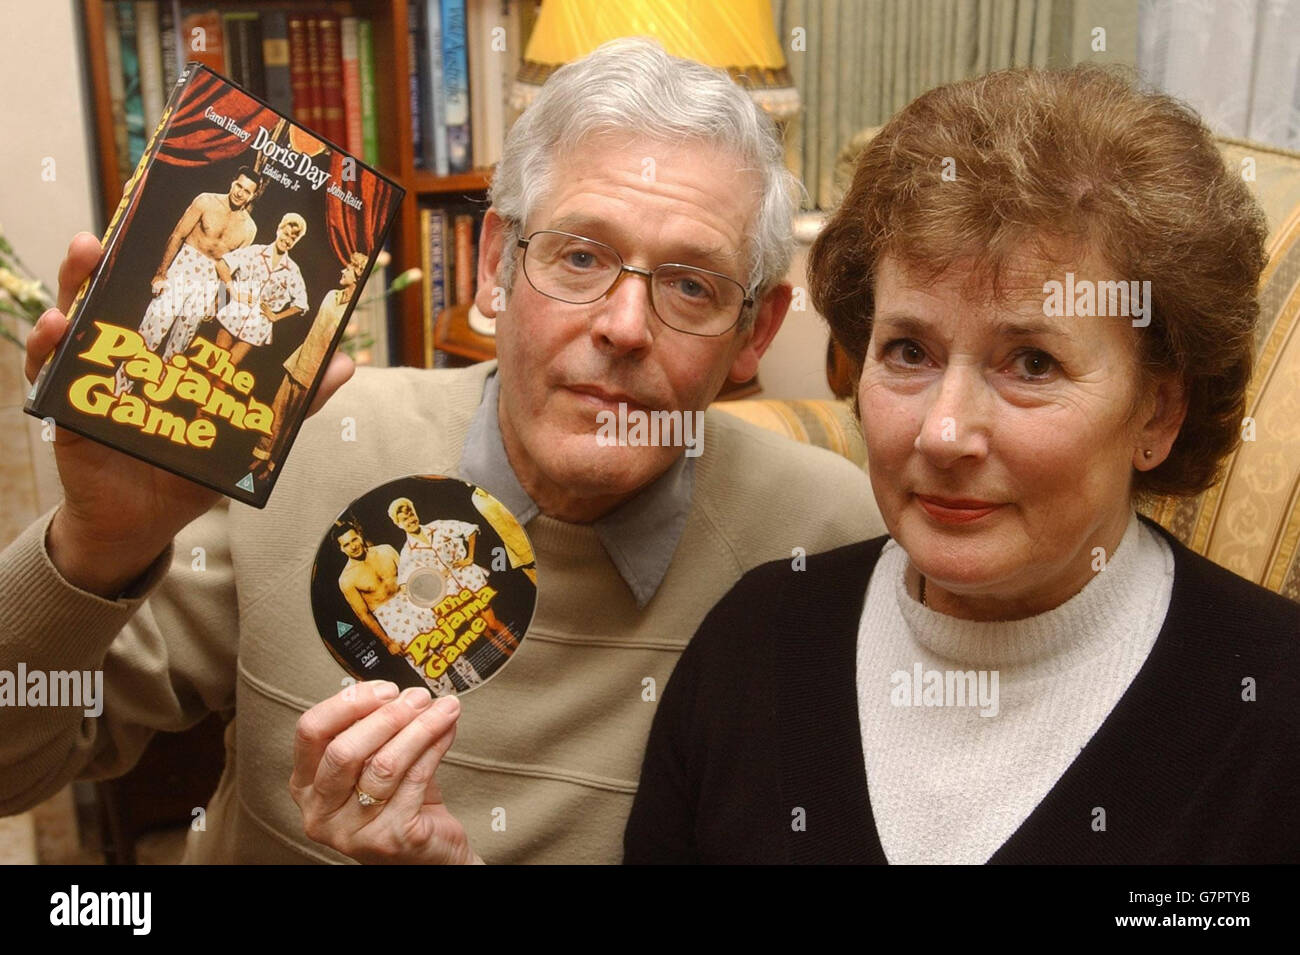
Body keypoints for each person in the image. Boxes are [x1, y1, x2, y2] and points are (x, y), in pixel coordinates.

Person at [0, 38, 884, 864]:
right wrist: (97, 545)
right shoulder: (302, 440)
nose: (622, 326)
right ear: (493, 264)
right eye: (579, 257)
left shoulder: (826, 536)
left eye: (691, 285)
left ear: (754, 332)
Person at [625, 66, 1300, 864]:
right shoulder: (755, 641)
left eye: (1033, 364)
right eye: (909, 350)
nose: (944, 433)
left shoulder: (1272, 709)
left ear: (1157, 412)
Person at [115, 166, 260, 394]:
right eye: (238, 185)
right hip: (184, 267)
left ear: (253, 196)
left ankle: (152, 397)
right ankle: (120, 390)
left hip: (209, 282)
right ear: (232, 182)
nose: (240, 193)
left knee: (179, 346)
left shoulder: (249, 229)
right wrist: (161, 273)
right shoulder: (206, 201)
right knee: (151, 331)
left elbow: (232, 268)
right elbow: (178, 235)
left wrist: (217, 302)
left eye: (247, 191)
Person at [250, 251, 369, 478]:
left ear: (358, 274)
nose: (342, 271)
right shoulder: (331, 296)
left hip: (314, 373)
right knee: (275, 415)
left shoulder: (348, 311)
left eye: (348, 269)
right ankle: (259, 457)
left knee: (291, 424)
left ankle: (272, 467)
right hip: (298, 362)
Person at [211, 212, 309, 367]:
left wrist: (276, 316)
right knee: (213, 362)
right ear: (279, 229)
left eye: (293, 238)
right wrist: (234, 293)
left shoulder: (292, 270)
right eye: (286, 234)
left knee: (227, 369)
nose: (288, 240)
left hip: (257, 326)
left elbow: (301, 304)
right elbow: (222, 265)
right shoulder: (255, 252)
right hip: (234, 314)